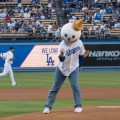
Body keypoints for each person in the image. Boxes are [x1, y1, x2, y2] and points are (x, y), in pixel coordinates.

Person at [43, 18, 89, 114]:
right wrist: (61, 55)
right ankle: (47, 107)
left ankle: (78, 106)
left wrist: (81, 64)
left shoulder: (79, 43)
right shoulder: (61, 45)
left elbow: (80, 56)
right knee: (55, 87)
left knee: (75, 85)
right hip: (61, 69)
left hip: (74, 68)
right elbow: (61, 60)